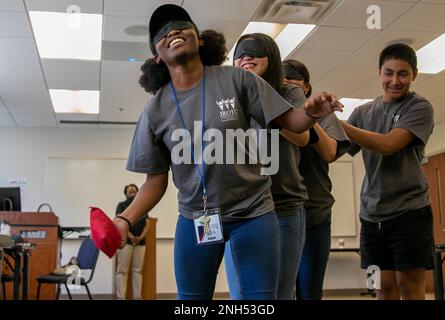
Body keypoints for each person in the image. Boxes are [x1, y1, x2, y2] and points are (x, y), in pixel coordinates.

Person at [113, 3, 343, 300]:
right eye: (163, 33)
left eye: (182, 26)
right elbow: (154, 183)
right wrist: (124, 219)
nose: (173, 32)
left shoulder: (237, 79)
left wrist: (312, 112)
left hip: (253, 213)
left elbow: (292, 123)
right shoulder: (155, 110)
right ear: (157, 56)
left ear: (201, 39)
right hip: (197, 218)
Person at [223, 33, 314, 300]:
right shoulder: (229, 100)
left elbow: (302, 136)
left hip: (282, 207)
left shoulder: (288, 92)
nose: (247, 57)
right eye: (241, 53)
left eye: (255, 51)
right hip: (241, 211)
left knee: (279, 294)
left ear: (271, 57)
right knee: (242, 296)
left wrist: (263, 101)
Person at [341, 43, 435, 300]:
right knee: (382, 288)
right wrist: (315, 118)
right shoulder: (362, 112)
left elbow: (388, 145)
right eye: (389, 73)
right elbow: (332, 151)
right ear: (379, 72)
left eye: (403, 73)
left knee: (410, 287)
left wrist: (340, 125)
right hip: (372, 216)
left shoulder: (419, 108)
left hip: (410, 211)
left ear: (414, 74)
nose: (395, 80)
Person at [283, 59, 350, 300]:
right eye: (281, 80)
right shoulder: (272, 112)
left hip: (314, 212)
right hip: (280, 214)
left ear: (307, 87)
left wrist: (309, 113)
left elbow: (330, 152)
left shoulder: (323, 116)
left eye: (293, 80)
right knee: (279, 291)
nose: (287, 84)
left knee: (309, 291)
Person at [115, 184, 150, 300]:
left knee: (137, 271)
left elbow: (147, 223)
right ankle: (121, 298)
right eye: (129, 189)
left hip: (141, 242)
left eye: (134, 188)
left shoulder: (142, 205)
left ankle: (138, 297)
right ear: (125, 192)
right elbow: (119, 222)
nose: (132, 189)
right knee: (121, 270)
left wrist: (140, 237)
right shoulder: (121, 205)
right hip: (125, 242)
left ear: (137, 192)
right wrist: (130, 236)